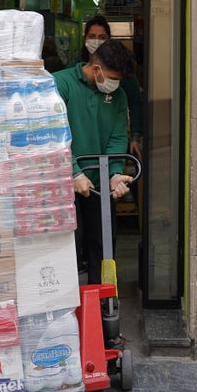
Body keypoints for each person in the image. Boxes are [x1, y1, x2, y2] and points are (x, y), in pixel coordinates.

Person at [53, 38, 135, 283]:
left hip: (99, 187)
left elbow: (118, 136)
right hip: (63, 185)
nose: (115, 84)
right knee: (67, 249)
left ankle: (102, 303)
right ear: (97, 69)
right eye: (113, 77)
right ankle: (67, 308)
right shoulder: (61, 83)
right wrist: (74, 172)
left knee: (103, 247)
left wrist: (115, 173)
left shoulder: (118, 96)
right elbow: (53, 134)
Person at [77, 16, 144, 162]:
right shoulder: (72, 74)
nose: (96, 41)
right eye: (92, 36)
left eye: (102, 37)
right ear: (84, 39)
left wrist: (135, 136)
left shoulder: (121, 74)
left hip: (110, 144)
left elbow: (135, 103)